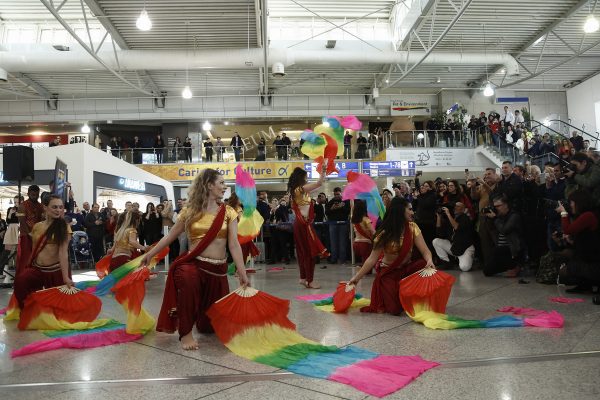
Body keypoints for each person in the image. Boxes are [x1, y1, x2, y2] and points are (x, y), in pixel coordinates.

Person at [141, 169, 249, 350]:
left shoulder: (229, 212)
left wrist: (242, 272)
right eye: (221, 183)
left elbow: (234, 245)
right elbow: (170, 236)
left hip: (217, 271)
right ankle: (186, 333)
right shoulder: (189, 211)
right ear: (209, 185)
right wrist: (150, 254)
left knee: (208, 327)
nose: (225, 187)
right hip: (194, 264)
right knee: (187, 277)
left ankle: (199, 316)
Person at [349, 197, 435, 315]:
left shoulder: (412, 227)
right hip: (389, 272)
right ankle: (399, 293)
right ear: (400, 210)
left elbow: (425, 251)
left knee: (423, 264)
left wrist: (430, 260)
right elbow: (372, 259)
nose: (412, 212)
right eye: (410, 209)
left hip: (406, 270)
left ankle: (408, 294)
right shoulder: (384, 232)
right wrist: (356, 278)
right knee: (394, 309)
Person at [14, 195, 73, 309]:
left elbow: (63, 253)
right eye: (54, 207)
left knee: (59, 307)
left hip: (56, 271)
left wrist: (66, 277)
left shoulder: (64, 227)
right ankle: (28, 311)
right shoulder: (37, 226)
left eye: (61, 207)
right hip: (37, 269)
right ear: (45, 207)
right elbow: (34, 248)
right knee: (21, 281)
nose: (58, 210)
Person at [288, 165, 329, 289]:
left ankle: (303, 278)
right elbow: (319, 183)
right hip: (303, 224)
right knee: (310, 252)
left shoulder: (296, 191)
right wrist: (323, 171)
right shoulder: (300, 189)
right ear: (301, 178)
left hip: (300, 223)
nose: (307, 179)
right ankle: (310, 280)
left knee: (303, 252)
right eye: (305, 177)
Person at [555, 190, 600, 292]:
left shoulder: (589, 215)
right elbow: (588, 241)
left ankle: (589, 282)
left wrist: (563, 212)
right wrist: (570, 240)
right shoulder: (590, 214)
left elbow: (568, 230)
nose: (570, 205)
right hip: (591, 256)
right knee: (565, 254)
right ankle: (584, 285)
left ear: (578, 202)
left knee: (564, 271)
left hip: (594, 260)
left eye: (571, 202)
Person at [482, 195, 523, 277]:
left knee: (497, 251)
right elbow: (492, 231)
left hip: (512, 250)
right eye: (495, 206)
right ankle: (509, 268)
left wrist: (495, 218)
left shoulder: (514, 216)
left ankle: (516, 266)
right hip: (501, 250)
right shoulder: (499, 216)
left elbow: (504, 230)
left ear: (506, 205)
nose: (496, 208)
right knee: (487, 271)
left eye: (498, 206)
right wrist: (489, 219)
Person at [432, 202, 476, 272]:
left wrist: (448, 214)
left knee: (464, 268)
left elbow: (457, 227)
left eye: (458, 206)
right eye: (455, 206)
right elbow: (439, 232)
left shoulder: (465, 218)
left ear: (463, 209)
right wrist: (439, 217)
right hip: (455, 247)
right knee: (436, 241)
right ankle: (447, 263)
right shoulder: (451, 218)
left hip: (465, 248)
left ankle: (470, 257)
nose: (455, 207)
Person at [17, 185, 45, 273]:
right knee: (26, 257)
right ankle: (23, 276)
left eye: (36, 195)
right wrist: (29, 233)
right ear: (28, 194)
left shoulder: (41, 206)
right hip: (26, 235)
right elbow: (21, 221)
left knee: (37, 257)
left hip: (38, 235)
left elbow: (43, 220)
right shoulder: (22, 206)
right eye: (33, 194)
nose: (35, 196)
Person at [325, 187, 351, 264]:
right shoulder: (330, 202)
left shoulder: (345, 201)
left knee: (343, 242)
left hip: (343, 224)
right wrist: (332, 209)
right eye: (335, 194)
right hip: (333, 223)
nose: (336, 196)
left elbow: (348, 211)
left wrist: (342, 207)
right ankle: (334, 258)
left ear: (341, 193)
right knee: (333, 242)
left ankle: (342, 259)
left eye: (338, 194)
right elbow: (326, 212)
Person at [351, 200, 374, 265]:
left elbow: (352, 208)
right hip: (365, 244)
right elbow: (373, 231)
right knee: (367, 265)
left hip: (356, 244)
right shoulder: (366, 219)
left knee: (364, 262)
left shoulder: (353, 220)